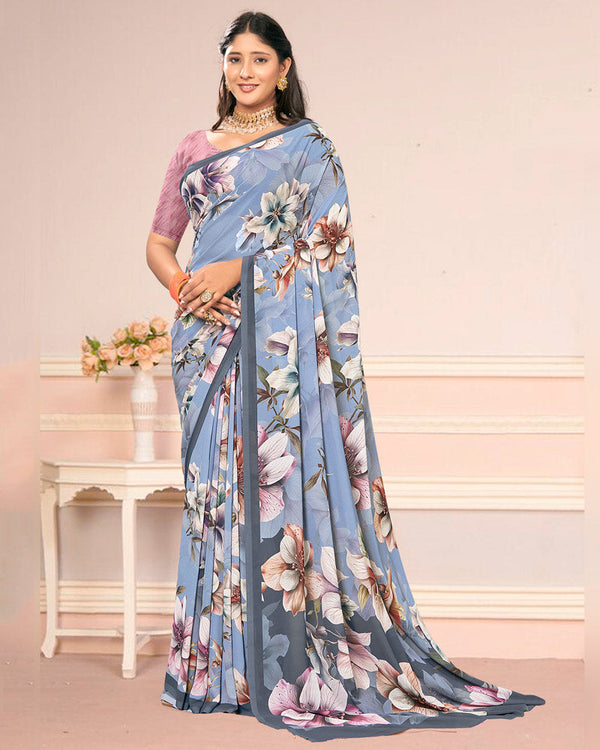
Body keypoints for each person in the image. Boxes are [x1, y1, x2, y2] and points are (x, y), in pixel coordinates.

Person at [146, 10, 545, 742]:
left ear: (283, 71)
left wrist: (240, 269)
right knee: (213, 498)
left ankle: (280, 667)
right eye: (234, 58)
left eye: (259, 59)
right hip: (204, 344)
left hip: (273, 347)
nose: (244, 71)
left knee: (274, 492)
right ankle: (216, 672)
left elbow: (327, 248)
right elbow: (159, 240)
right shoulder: (192, 148)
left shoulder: (310, 149)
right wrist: (184, 288)